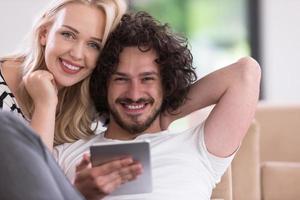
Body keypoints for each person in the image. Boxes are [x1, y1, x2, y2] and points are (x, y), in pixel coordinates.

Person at [54, 11, 261, 199]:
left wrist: (167, 112)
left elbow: (246, 73)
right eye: (121, 79)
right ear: (103, 84)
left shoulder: (198, 148)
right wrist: (76, 194)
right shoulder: (66, 154)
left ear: (167, 83)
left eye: (147, 79)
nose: (134, 94)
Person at [0, 0, 126, 150]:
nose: (77, 54)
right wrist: (45, 104)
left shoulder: (96, 101)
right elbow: (31, 171)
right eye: (68, 35)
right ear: (44, 34)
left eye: (94, 45)